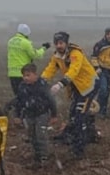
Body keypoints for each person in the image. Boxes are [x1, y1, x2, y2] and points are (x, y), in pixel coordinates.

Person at [42, 31, 100, 159]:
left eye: (61, 43)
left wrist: (60, 84)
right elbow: (50, 69)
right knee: (73, 113)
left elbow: (74, 70)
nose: (58, 46)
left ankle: (79, 148)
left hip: (88, 86)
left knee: (80, 114)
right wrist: (41, 81)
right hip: (77, 87)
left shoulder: (75, 54)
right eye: (56, 43)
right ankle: (77, 135)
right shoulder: (56, 56)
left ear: (66, 43)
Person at [7, 63, 59, 167]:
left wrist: (54, 115)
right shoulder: (22, 87)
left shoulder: (42, 85)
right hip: (29, 115)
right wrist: (17, 116)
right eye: (24, 75)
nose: (25, 78)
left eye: (28, 75)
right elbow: (19, 102)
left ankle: (44, 157)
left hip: (42, 114)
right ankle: (36, 156)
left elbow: (51, 100)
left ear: (35, 74)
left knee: (41, 135)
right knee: (31, 135)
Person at [7, 24, 50, 95]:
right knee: (27, 96)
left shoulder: (10, 41)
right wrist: (44, 48)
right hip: (24, 74)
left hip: (12, 74)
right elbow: (36, 55)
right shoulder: (26, 43)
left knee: (18, 96)